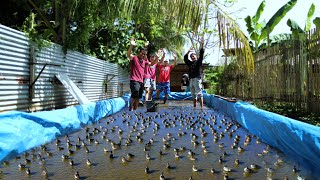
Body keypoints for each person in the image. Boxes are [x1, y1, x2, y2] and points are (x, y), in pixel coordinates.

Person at [127, 38, 158, 111]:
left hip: (141, 81)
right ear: (139, 53)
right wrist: (131, 46)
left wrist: (158, 57)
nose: (143, 55)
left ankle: (135, 110)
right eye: (141, 53)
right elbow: (128, 55)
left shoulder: (144, 61)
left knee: (138, 97)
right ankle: (130, 109)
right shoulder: (134, 58)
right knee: (135, 93)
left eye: (144, 54)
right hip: (134, 80)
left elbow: (152, 63)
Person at [184, 42, 205, 109]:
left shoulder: (198, 62)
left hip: (197, 79)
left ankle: (202, 107)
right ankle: (195, 106)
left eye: (193, 56)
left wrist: (202, 45)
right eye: (191, 56)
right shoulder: (190, 63)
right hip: (191, 80)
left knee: (199, 93)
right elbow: (185, 58)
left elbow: (201, 54)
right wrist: (188, 51)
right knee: (193, 94)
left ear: (196, 56)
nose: (192, 57)